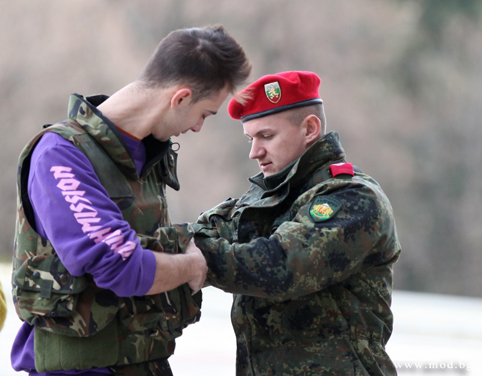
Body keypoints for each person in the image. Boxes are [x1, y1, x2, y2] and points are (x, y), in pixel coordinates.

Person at [11, 25, 251, 376]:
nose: (199, 128)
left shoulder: (146, 154)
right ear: (180, 97)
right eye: (205, 114)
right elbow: (119, 266)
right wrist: (191, 266)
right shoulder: (61, 154)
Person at [188, 71, 401, 375]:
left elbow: (282, 266)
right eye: (250, 139)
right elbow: (200, 235)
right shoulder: (263, 200)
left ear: (310, 129)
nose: (254, 152)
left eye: (266, 136)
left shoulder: (353, 197)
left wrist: (194, 260)